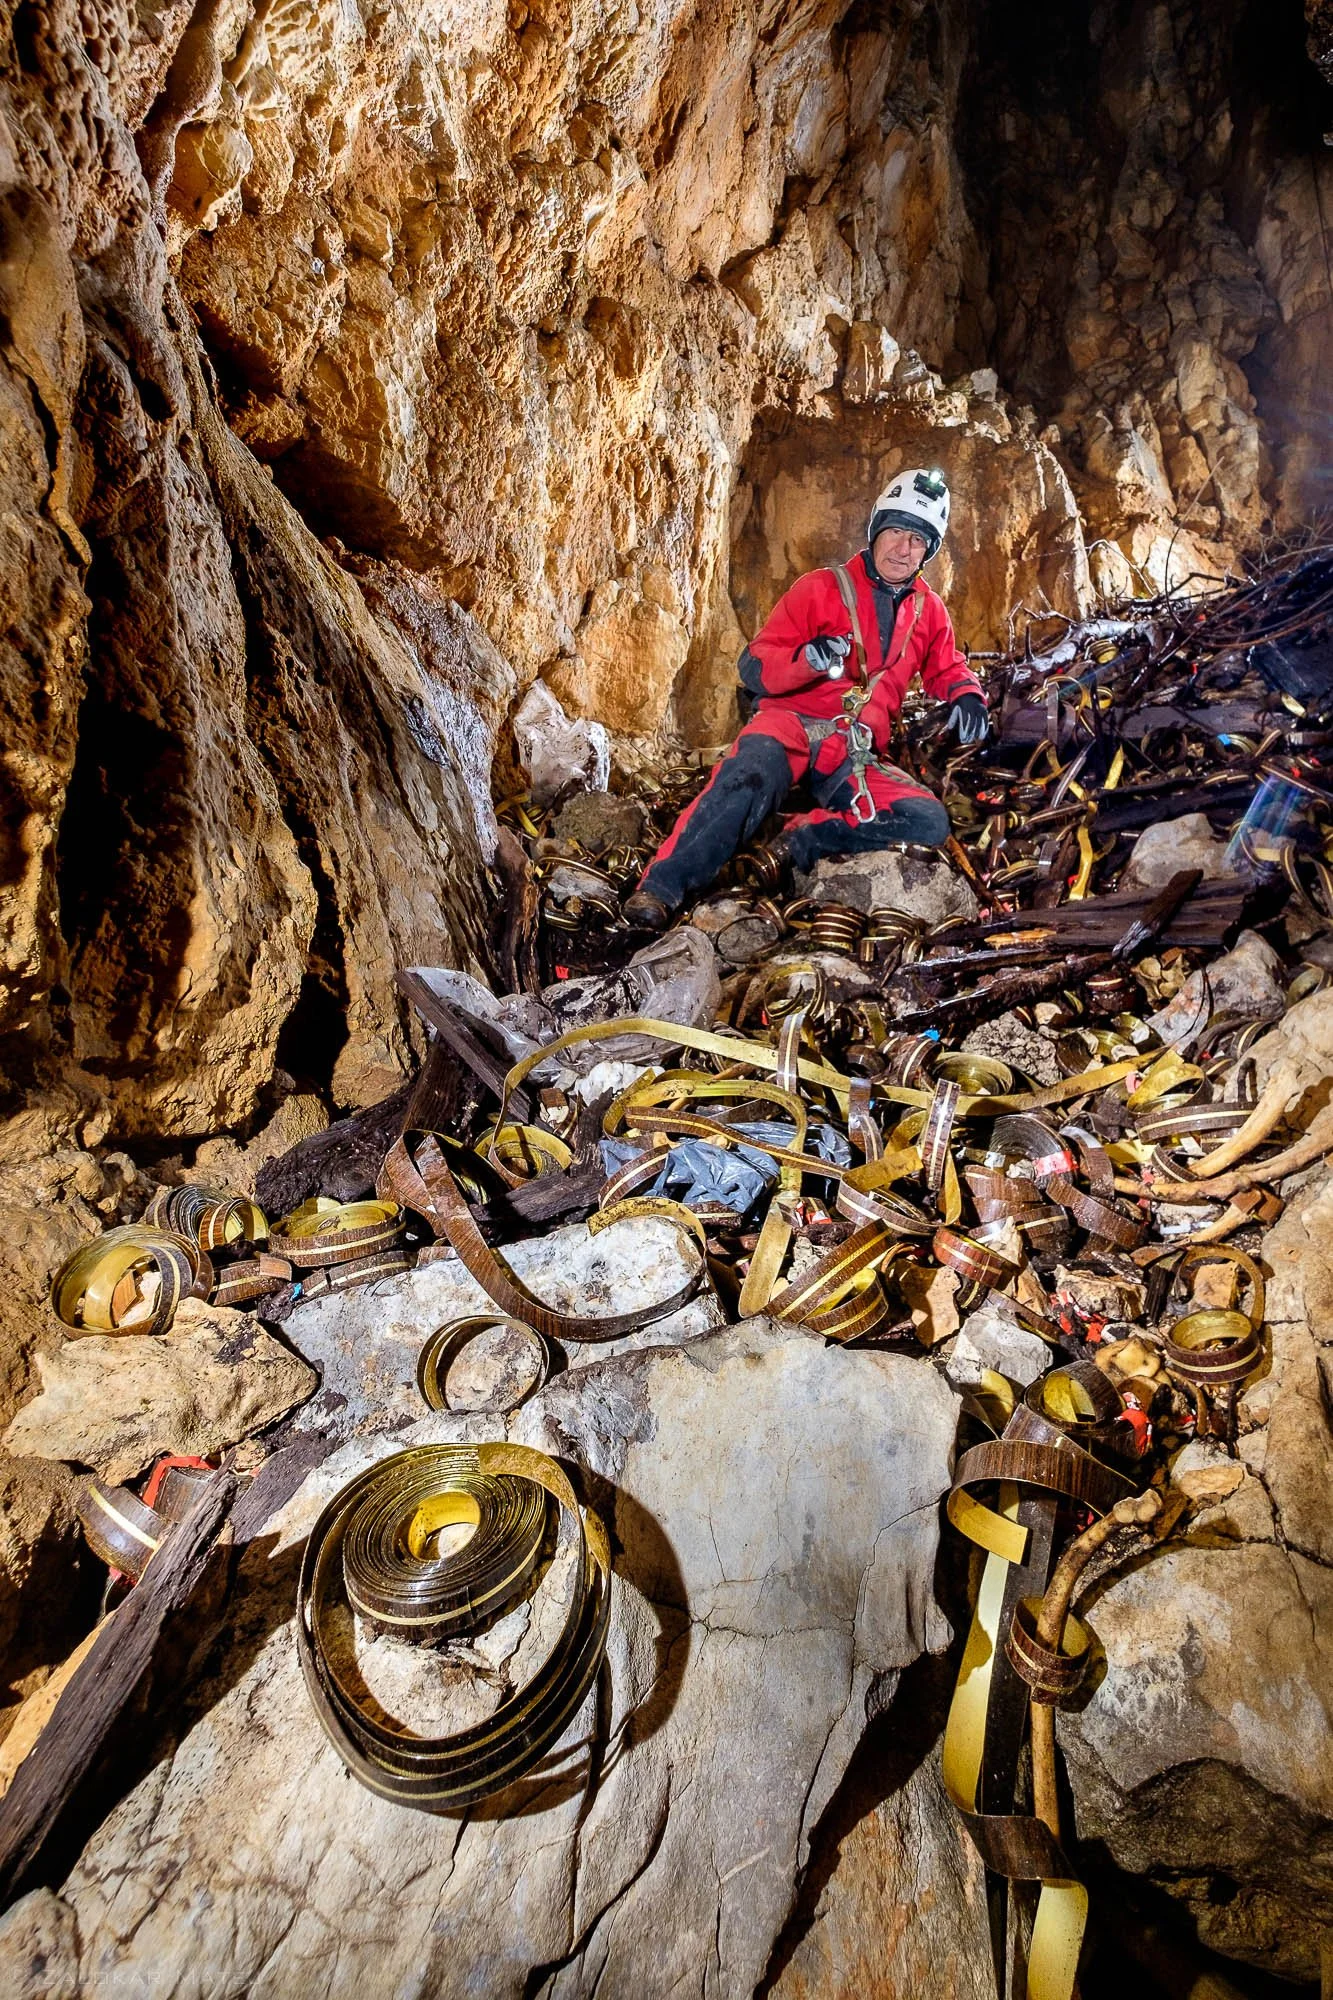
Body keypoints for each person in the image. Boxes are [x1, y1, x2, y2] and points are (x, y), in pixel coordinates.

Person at [623, 468, 987, 931]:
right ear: (876, 530)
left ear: (928, 551)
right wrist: (806, 660)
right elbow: (755, 665)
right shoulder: (820, 587)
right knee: (746, 775)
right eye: (895, 531)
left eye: (917, 539)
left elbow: (946, 665)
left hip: (851, 748)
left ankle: (800, 841)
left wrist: (966, 694)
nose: (902, 548)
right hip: (789, 725)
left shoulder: (927, 610)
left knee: (926, 818)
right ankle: (660, 887)